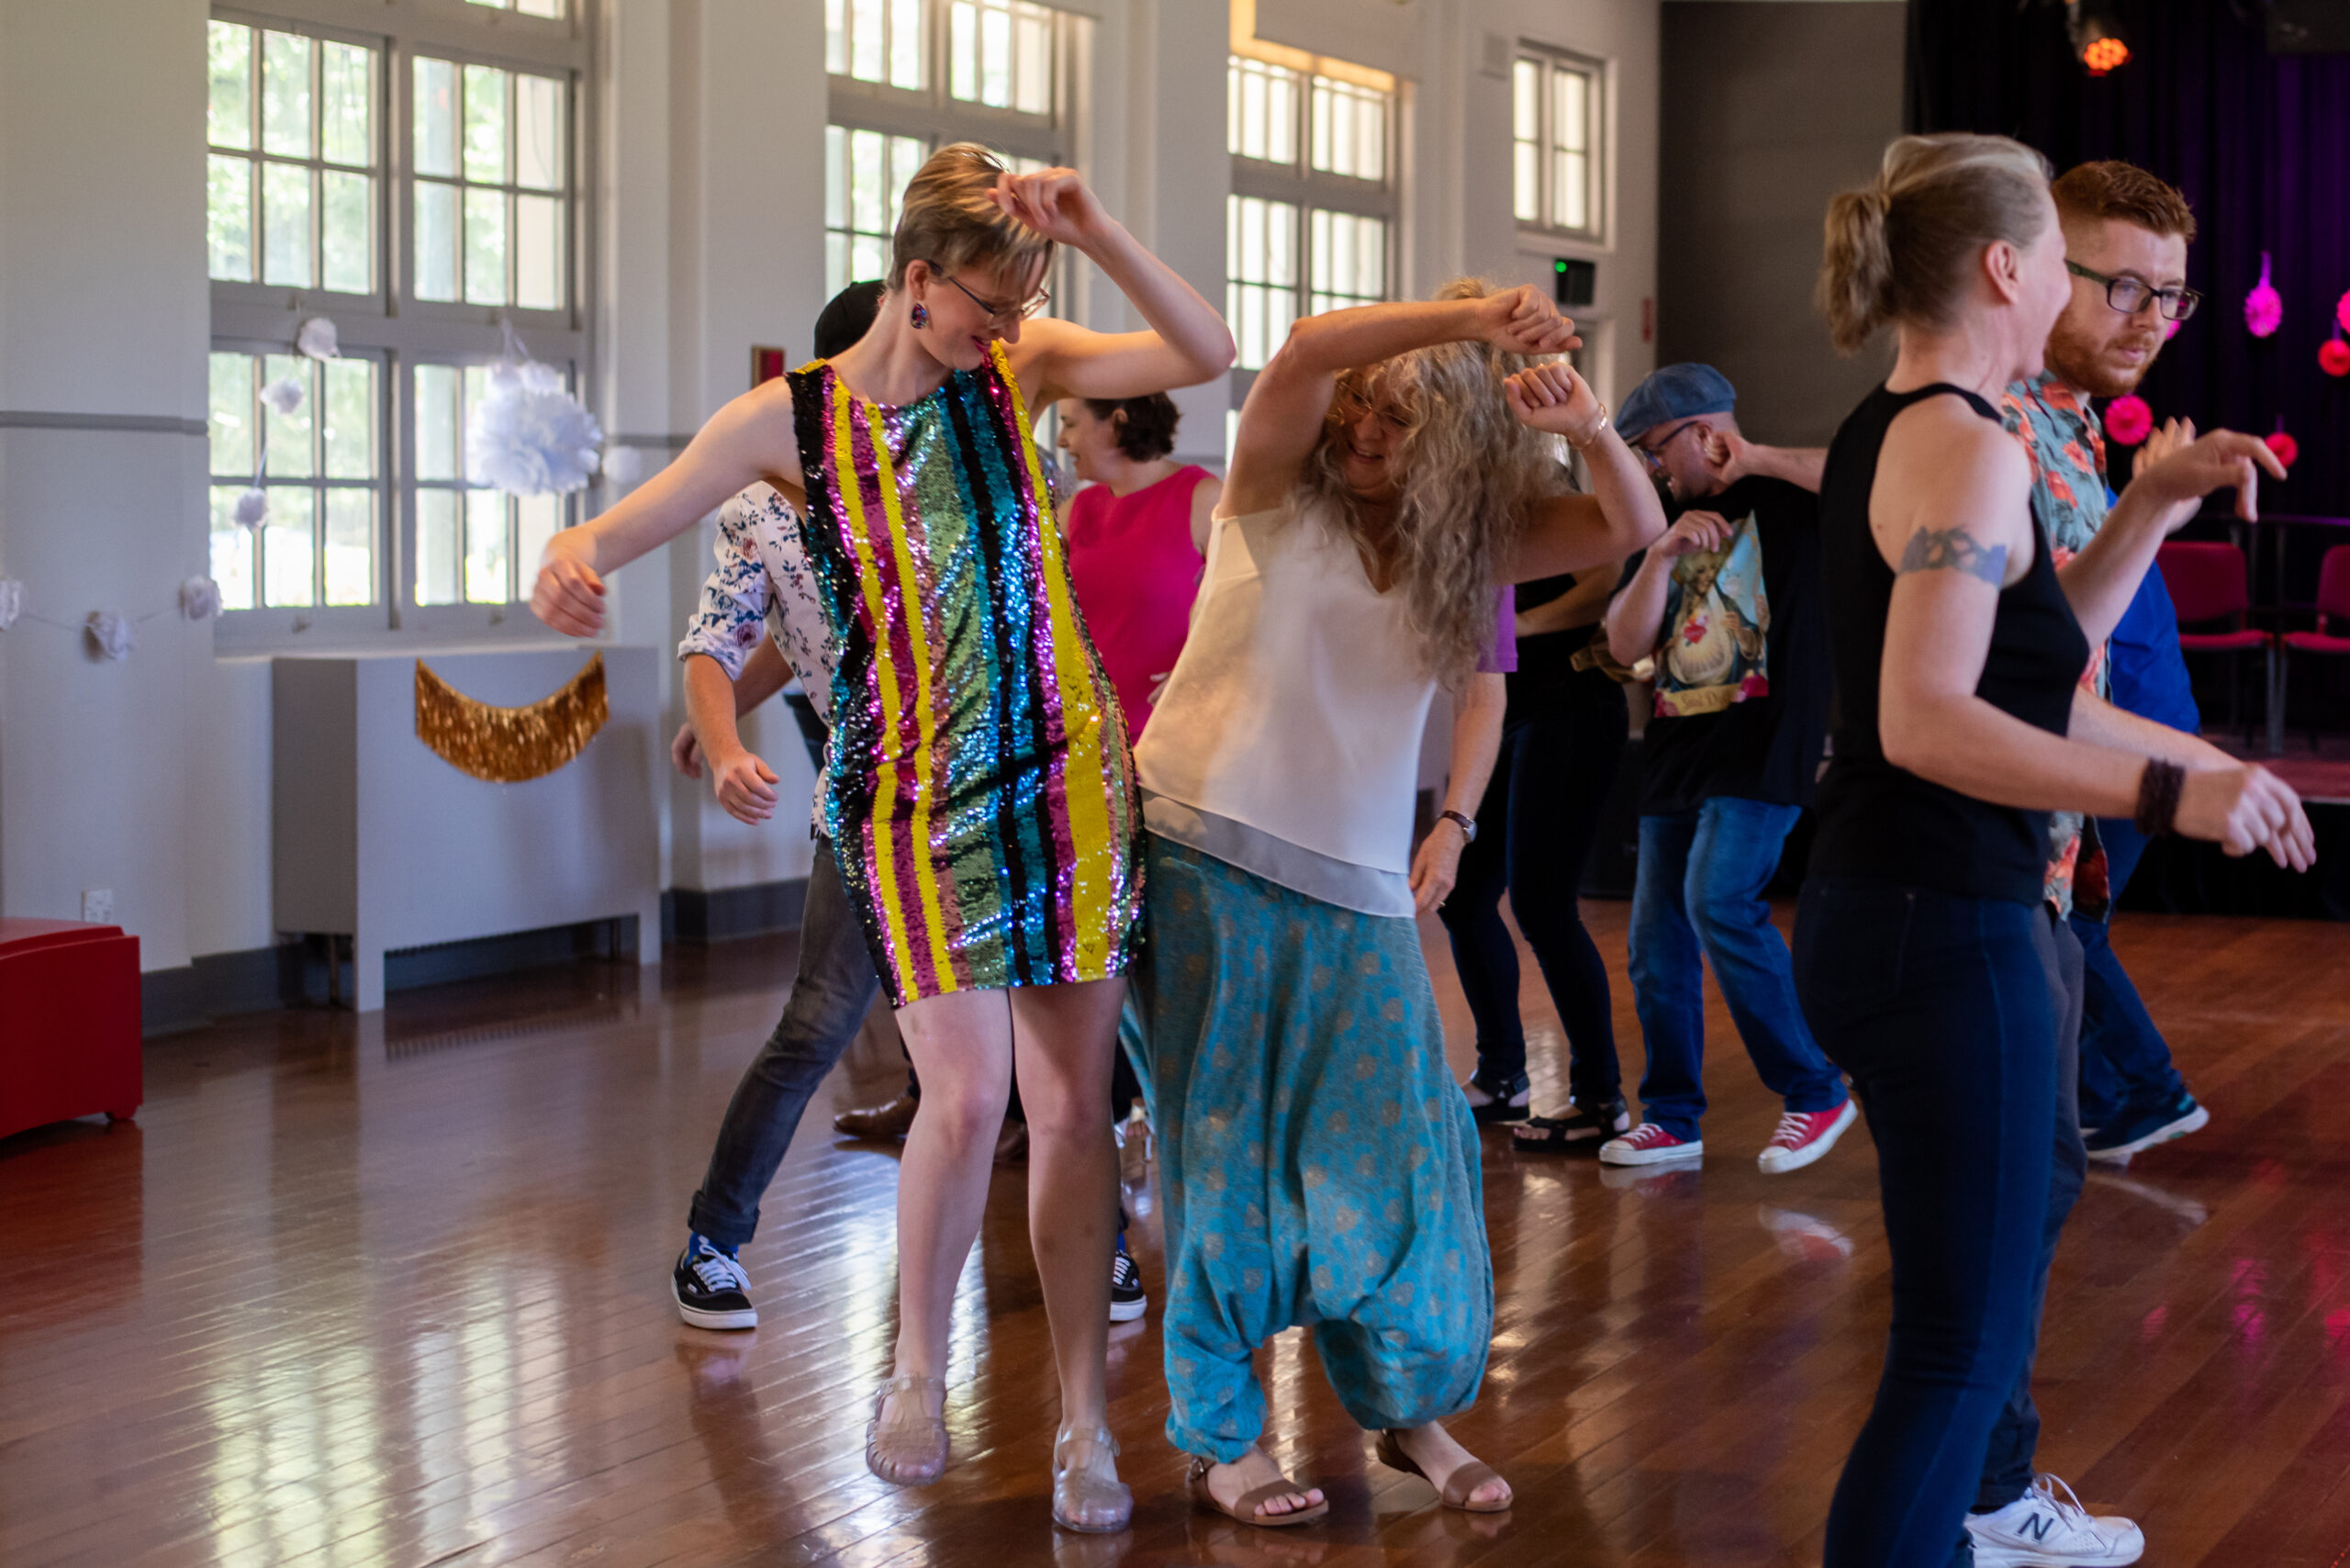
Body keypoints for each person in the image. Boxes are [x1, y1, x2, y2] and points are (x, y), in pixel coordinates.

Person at [533, 144, 1236, 1533]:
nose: (1011, 329)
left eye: (1025, 304)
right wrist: (570, 558)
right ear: (917, 285)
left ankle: (1086, 1427)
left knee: (1074, 1109)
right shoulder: (782, 424)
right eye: (990, 303)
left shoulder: (1018, 376)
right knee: (965, 1097)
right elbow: (632, 524)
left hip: (1064, 776)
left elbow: (1203, 351)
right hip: (909, 799)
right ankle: (916, 1365)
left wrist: (1089, 226)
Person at [1798, 131, 2308, 1568]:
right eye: (2102, 279)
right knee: (1957, 1355)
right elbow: (1928, 723)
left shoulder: (1907, 424)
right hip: (1943, 919)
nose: (2142, 318)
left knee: (1962, 1330)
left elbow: (2036, 665)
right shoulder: (1965, 445)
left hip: (1902, 912)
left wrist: (2149, 504)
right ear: (2011, 266)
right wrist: (2165, 798)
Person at [1125, 279, 1667, 1527]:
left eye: (1399, 423)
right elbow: (1309, 346)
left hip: (1361, 891)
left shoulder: (1471, 544)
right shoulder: (1266, 489)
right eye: (1359, 412)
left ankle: (1408, 1414)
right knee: (1230, 1163)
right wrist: (1466, 316)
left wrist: (1587, 423)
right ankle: (1226, 1437)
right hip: (1205, 854)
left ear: (1465, 436)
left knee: (1400, 1162)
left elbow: (1625, 525)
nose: (1365, 435)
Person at [1592, 364, 1856, 1174]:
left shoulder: (1792, 501)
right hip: (1676, 748)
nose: (1651, 468)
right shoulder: (1661, 519)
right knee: (1653, 941)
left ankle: (1817, 1090)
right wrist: (1660, 558)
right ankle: (1672, 1116)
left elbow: (1861, 475)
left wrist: (1755, 457)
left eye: (1655, 449)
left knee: (1718, 901)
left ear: (1704, 435)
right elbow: (1623, 644)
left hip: (1764, 744)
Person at [2004, 162, 2215, 1167]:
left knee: (2040, 1188)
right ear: (2038, 267)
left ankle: (2139, 1097)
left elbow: (2062, 648)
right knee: (2014, 1189)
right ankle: (2146, 1092)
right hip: (1984, 871)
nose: (2151, 321)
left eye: (2169, 296)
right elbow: (2011, 675)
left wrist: (2155, 503)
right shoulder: (1983, 424)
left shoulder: (2076, 419)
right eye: (2123, 287)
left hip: (2049, 857)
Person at [1446, 553, 1634, 1143]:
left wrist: (1518, 627)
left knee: (1544, 907)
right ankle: (1502, 1077)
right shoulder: (1453, 507)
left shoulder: (1532, 485)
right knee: (1466, 896)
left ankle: (1600, 1097)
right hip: (1508, 709)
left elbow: (1605, 579)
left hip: (1571, 702)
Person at [1057, 392, 1222, 736]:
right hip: (1086, 739)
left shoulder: (1203, 497)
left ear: (1118, 423)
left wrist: (1203, 669)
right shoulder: (1077, 509)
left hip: (1169, 738)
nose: (1061, 440)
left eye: (1070, 424)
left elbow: (1250, 615)